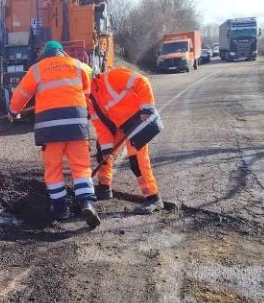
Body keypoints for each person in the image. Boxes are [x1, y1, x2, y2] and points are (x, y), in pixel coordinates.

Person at [9, 41, 101, 228]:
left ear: (45, 54)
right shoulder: (77, 65)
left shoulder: (37, 69)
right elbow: (87, 91)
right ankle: (87, 202)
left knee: (53, 169)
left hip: (50, 129)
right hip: (76, 127)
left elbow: (22, 93)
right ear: (61, 52)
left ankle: (61, 209)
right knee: (81, 167)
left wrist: (13, 112)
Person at [88, 67, 165, 214]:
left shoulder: (111, 77)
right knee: (103, 153)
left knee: (137, 161)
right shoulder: (89, 99)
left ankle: (153, 198)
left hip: (139, 120)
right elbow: (102, 128)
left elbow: (142, 81)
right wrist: (107, 151)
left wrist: (147, 108)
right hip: (120, 125)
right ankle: (104, 188)